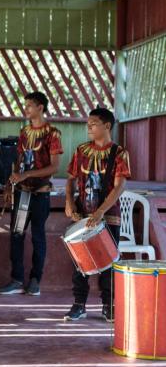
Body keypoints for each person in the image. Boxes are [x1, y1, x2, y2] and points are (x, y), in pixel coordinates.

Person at [63, 108, 130, 322]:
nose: (89, 126)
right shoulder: (81, 150)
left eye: (93, 123)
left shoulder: (119, 153)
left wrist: (101, 211)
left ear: (107, 126)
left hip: (108, 216)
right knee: (79, 263)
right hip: (83, 214)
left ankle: (109, 305)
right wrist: (69, 202)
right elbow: (70, 180)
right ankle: (79, 304)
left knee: (108, 262)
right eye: (88, 123)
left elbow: (119, 187)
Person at [0, 92, 63, 296]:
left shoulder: (53, 133)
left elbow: (54, 167)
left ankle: (35, 280)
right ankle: (17, 279)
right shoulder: (24, 132)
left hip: (40, 193)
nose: (25, 109)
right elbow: (18, 162)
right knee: (16, 235)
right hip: (22, 193)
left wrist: (26, 175)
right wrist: (10, 185)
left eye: (29, 105)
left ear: (40, 107)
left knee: (38, 237)